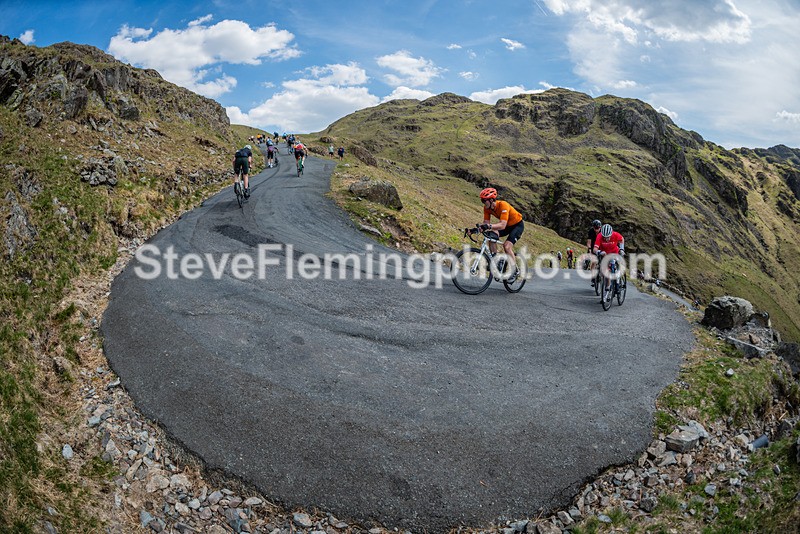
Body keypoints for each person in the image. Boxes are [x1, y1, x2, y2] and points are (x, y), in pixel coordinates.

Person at [477, 187, 524, 281]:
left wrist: (488, 227)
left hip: (517, 226)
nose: (483, 202)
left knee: (507, 246)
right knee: (491, 236)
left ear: (491, 200)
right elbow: (486, 223)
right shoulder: (487, 208)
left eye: (484, 200)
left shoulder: (503, 205)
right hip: (507, 226)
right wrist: (476, 229)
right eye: (482, 200)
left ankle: (514, 271)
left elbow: (502, 225)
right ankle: (497, 262)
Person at [593, 224, 625, 299]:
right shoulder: (599, 236)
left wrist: (622, 249)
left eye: (608, 237)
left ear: (611, 234)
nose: (606, 239)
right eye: (605, 237)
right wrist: (599, 252)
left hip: (615, 252)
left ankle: (618, 279)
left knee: (618, 263)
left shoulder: (615, 234)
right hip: (605, 254)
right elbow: (595, 249)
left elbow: (622, 239)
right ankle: (608, 289)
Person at [586, 219, 602, 285]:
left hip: (601, 246)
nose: (596, 230)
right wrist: (589, 249)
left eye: (598, 228)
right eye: (595, 228)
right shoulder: (591, 231)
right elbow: (588, 242)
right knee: (594, 262)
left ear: (600, 227)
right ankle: (593, 277)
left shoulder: (602, 232)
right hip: (593, 247)